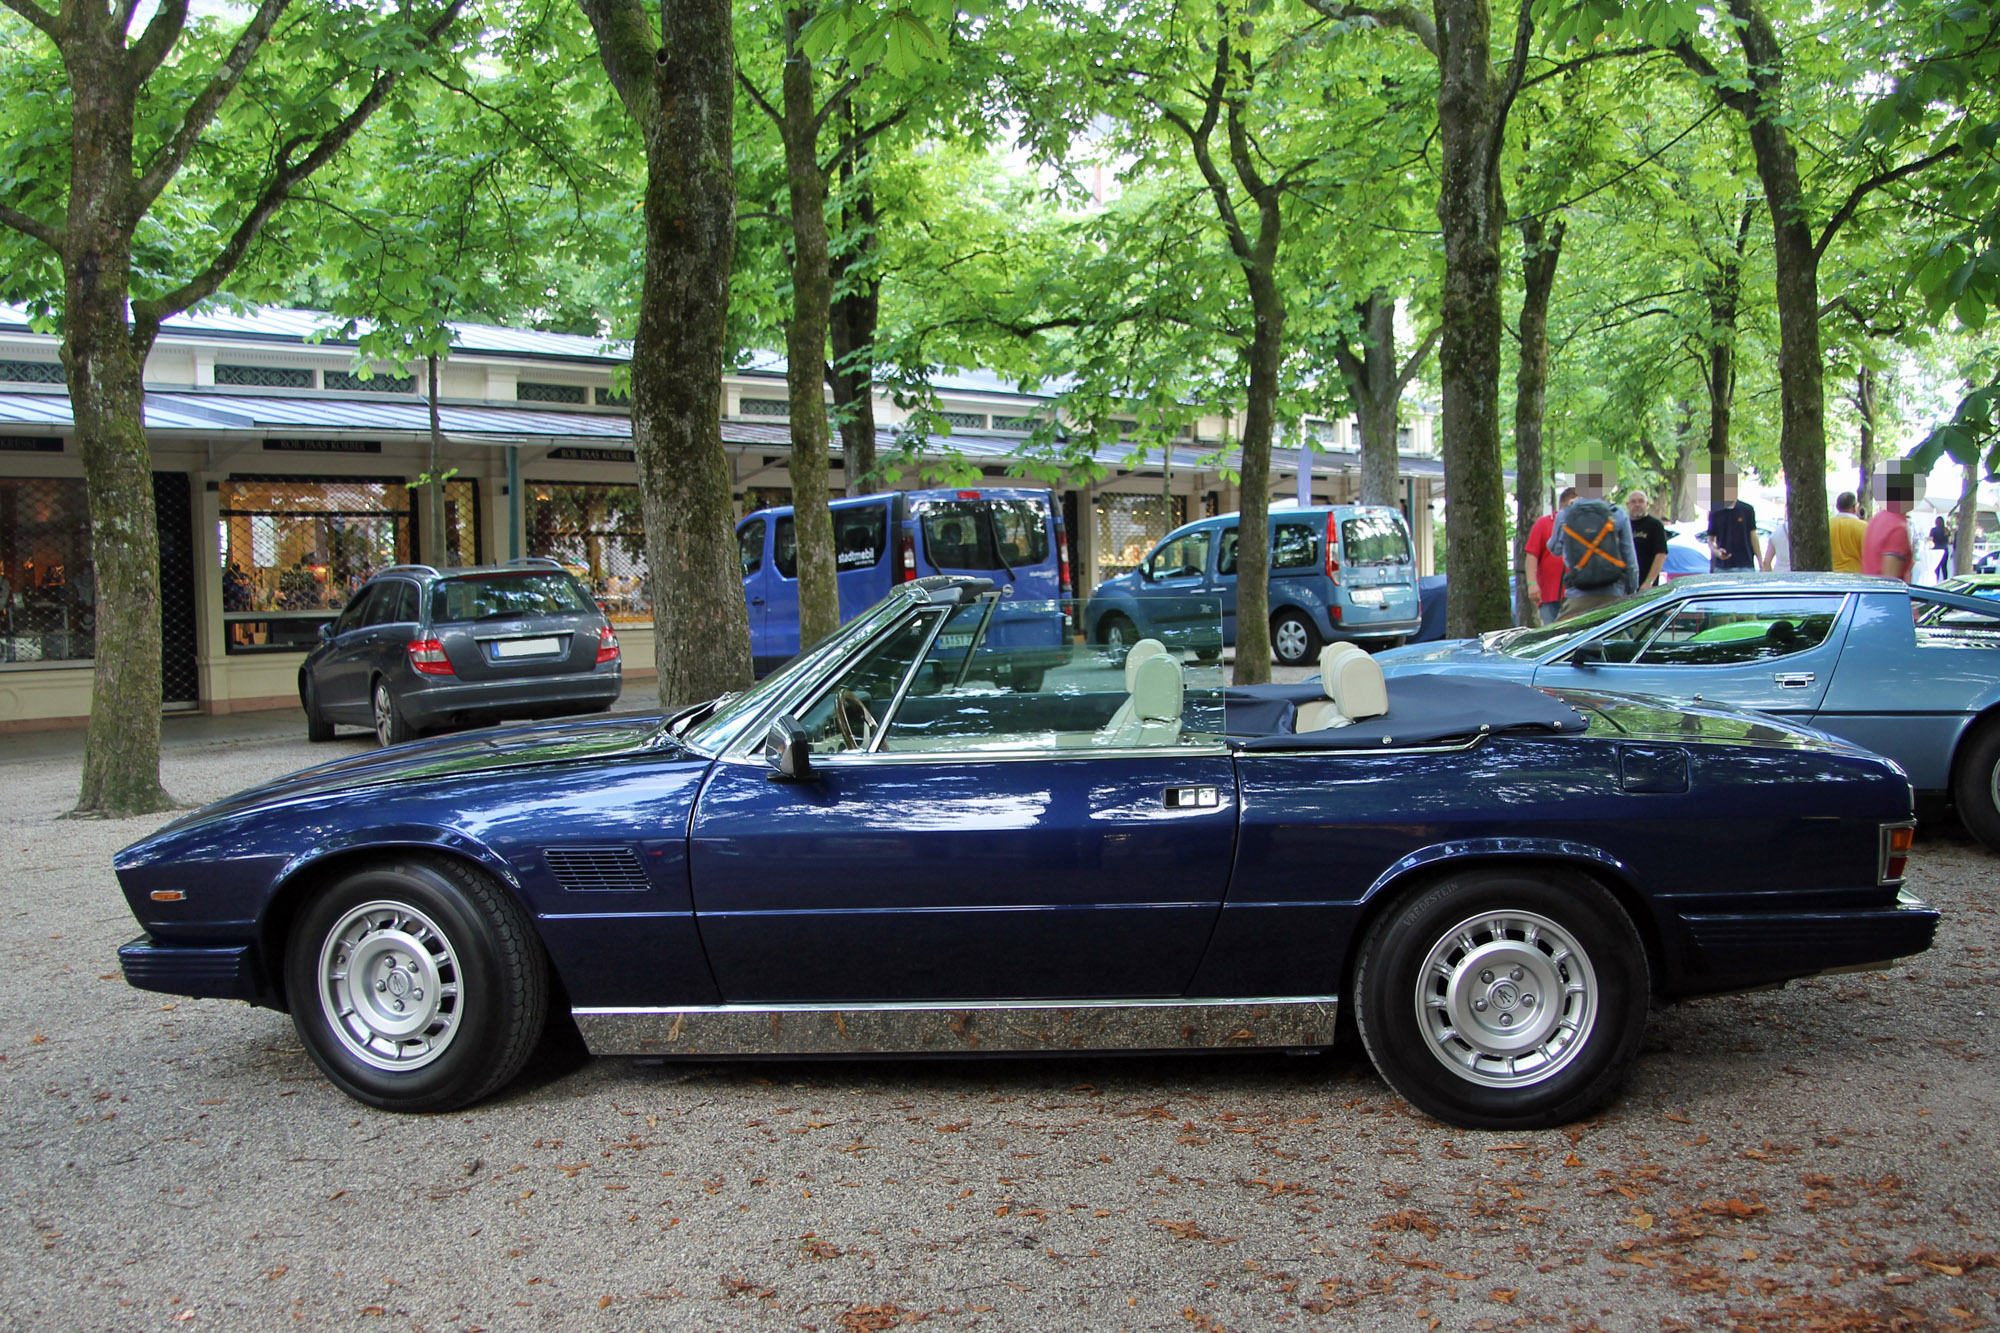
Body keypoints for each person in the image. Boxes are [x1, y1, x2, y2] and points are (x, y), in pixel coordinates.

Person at [1554, 462, 1639, 620]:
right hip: (1613, 593)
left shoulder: (1565, 514)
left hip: (1577, 594)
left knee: (1565, 641)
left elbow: (1555, 549)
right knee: (1616, 641)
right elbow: (1631, 561)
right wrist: (1631, 590)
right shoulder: (1618, 514)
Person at [1522, 486, 1576, 625]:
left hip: (1577, 595)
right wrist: (1532, 583)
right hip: (1550, 595)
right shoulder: (1544, 523)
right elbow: (1532, 555)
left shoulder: (1581, 524)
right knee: (1553, 634)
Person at [1863, 468, 1919, 581]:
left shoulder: (1878, 519)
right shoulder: (1898, 528)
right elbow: (1889, 583)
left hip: (1869, 592)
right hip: (1883, 597)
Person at [1704, 465, 1759, 570]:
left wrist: (1761, 562)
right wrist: (1716, 552)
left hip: (1745, 565)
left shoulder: (1747, 510)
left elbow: (1753, 536)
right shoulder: (1715, 512)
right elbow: (1711, 539)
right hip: (1722, 567)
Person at [1626, 490, 1669, 588]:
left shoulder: (1655, 525)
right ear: (1628, 505)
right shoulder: (1623, 525)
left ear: (1647, 504)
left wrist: (1649, 581)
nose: (1637, 504)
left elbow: (1661, 554)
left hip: (1646, 584)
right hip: (1624, 585)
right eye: (1633, 502)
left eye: (1641, 501)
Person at [1830, 492, 1866, 573]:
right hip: (1855, 576)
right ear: (1854, 507)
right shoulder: (1863, 527)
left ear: (1837, 507)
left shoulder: (1828, 524)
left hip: (1831, 575)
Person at [1931, 515, 1952, 580]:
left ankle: (1936, 580)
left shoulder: (1933, 530)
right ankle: (1945, 580)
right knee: (1944, 567)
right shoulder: (1946, 530)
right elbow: (1950, 541)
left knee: (1937, 567)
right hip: (1944, 549)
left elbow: (1931, 540)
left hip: (1936, 549)